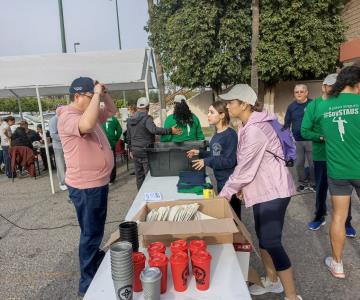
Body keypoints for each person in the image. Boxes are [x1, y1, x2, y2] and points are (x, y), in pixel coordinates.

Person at [219, 84, 301, 300]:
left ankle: (292, 296)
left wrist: (223, 195)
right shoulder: (246, 125)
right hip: (261, 190)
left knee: (272, 241)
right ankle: (272, 281)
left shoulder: (255, 129)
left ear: (244, 104)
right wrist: (243, 188)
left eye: (231, 102)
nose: (227, 106)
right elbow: (249, 167)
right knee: (263, 239)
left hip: (273, 191)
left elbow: (244, 170)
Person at [57, 77, 117, 296]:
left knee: (95, 230)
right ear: (77, 96)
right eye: (91, 97)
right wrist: (97, 95)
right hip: (86, 186)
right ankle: (87, 283)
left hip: (97, 183)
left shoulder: (87, 111)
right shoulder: (68, 117)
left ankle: (95, 261)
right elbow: (88, 125)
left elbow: (112, 111)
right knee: (90, 234)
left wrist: (104, 93)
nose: (96, 101)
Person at [311, 66, 360, 279]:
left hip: (338, 169)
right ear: (357, 84)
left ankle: (338, 265)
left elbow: (314, 130)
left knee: (339, 217)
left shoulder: (324, 106)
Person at [301, 74, 356, 237]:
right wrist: (320, 137)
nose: (333, 88)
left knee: (345, 192)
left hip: (342, 155)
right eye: (330, 85)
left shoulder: (343, 104)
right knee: (321, 188)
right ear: (323, 86)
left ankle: (347, 222)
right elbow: (304, 130)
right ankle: (319, 216)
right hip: (322, 155)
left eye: (336, 85)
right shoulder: (315, 105)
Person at [186, 100, 240, 217]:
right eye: (208, 112)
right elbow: (215, 155)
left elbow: (229, 161)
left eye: (211, 112)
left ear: (222, 115)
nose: (208, 115)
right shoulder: (216, 134)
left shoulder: (230, 135)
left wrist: (206, 161)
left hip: (230, 184)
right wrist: (200, 153)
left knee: (233, 218)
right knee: (225, 215)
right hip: (220, 182)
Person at [127, 97, 182, 189]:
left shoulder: (130, 120)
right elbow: (153, 130)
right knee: (149, 175)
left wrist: (130, 149)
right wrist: (170, 130)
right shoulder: (146, 118)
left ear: (137, 108)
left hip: (135, 151)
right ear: (147, 107)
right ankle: (149, 193)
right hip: (146, 150)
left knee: (139, 176)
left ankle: (140, 195)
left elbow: (128, 137)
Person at [284, 84, 315, 192]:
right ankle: (303, 183)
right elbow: (287, 123)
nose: (299, 94)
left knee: (313, 163)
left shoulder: (313, 104)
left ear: (306, 93)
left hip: (311, 139)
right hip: (297, 140)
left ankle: (313, 183)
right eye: (296, 92)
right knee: (299, 164)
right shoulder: (291, 107)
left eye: (301, 91)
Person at [102, 115, 122, 184]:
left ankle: (103, 178)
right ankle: (112, 179)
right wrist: (115, 139)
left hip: (101, 143)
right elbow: (119, 130)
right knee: (112, 160)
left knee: (102, 161)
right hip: (111, 143)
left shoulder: (98, 118)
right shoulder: (114, 119)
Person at [49, 115, 67, 191]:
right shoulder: (54, 119)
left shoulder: (65, 117)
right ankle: (62, 182)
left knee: (68, 164)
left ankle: (68, 180)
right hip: (58, 146)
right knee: (61, 164)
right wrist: (66, 137)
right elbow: (53, 134)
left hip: (67, 145)